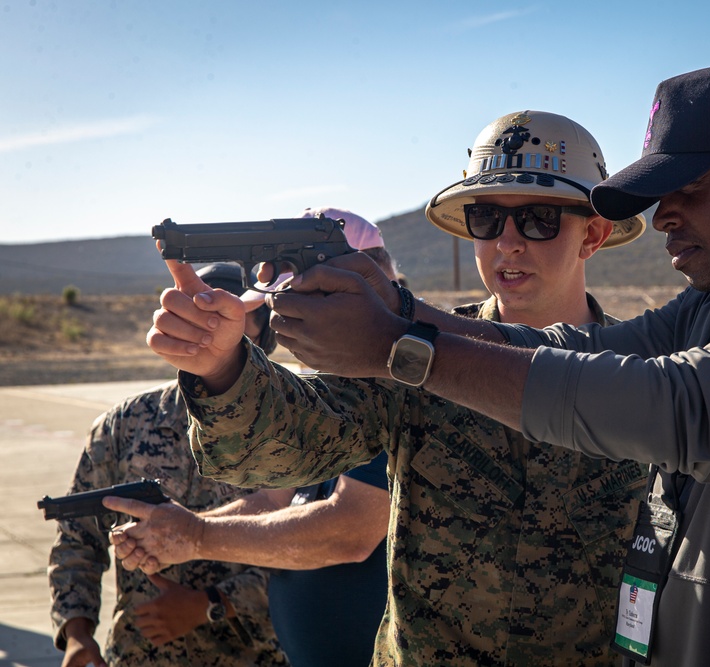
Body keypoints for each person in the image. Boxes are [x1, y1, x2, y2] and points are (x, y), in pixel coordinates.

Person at [145, 65, 710, 665]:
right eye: (487, 221)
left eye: (686, 190)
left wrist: (406, 344)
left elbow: (685, 406)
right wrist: (262, 357)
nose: (666, 221)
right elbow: (591, 355)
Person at [117, 111, 649, 665]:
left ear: (593, 233)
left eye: (538, 220)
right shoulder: (407, 350)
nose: (507, 244)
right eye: (486, 219)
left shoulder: (644, 378)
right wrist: (223, 367)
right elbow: (285, 450)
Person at [109, 208, 395, 667]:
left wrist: (197, 535)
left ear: (364, 278)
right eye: (278, 296)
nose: (283, 311)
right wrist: (172, 534)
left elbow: (348, 531)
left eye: (300, 290)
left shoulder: (395, 375)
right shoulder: (339, 379)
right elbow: (270, 501)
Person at [47, 263, 288, 667]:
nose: (216, 333)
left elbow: (308, 546)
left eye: (235, 320)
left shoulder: (298, 430)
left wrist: (211, 604)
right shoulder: (124, 423)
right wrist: (77, 631)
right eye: (200, 319)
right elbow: (78, 539)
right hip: (141, 654)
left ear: (264, 333)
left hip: (253, 655)